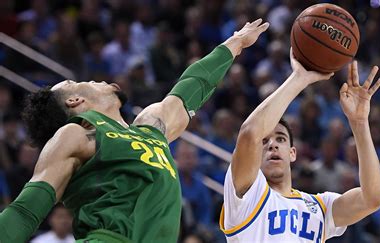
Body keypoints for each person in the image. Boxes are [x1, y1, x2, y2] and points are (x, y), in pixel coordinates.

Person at [0, 19, 269, 243]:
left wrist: (236, 42)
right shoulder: (77, 133)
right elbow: (24, 212)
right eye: (77, 82)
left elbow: (189, 88)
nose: (92, 79)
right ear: (74, 102)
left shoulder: (149, 129)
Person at [220, 54, 380, 242]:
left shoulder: (319, 206)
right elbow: (250, 134)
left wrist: (359, 123)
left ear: (293, 153)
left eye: (281, 139)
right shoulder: (246, 194)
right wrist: (299, 78)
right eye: (264, 142)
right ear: (253, 154)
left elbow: (373, 198)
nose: (273, 144)